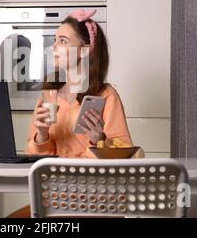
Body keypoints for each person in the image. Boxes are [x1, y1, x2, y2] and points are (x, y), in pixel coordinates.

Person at [25, 9, 133, 158]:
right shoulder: (48, 96)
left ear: (84, 50)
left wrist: (98, 141)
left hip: (92, 180)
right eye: (54, 40)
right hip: (54, 179)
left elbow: (124, 152)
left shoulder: (106, 95)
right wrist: (42, 135)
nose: (53, 46)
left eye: (62, 41)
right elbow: (33, 159)